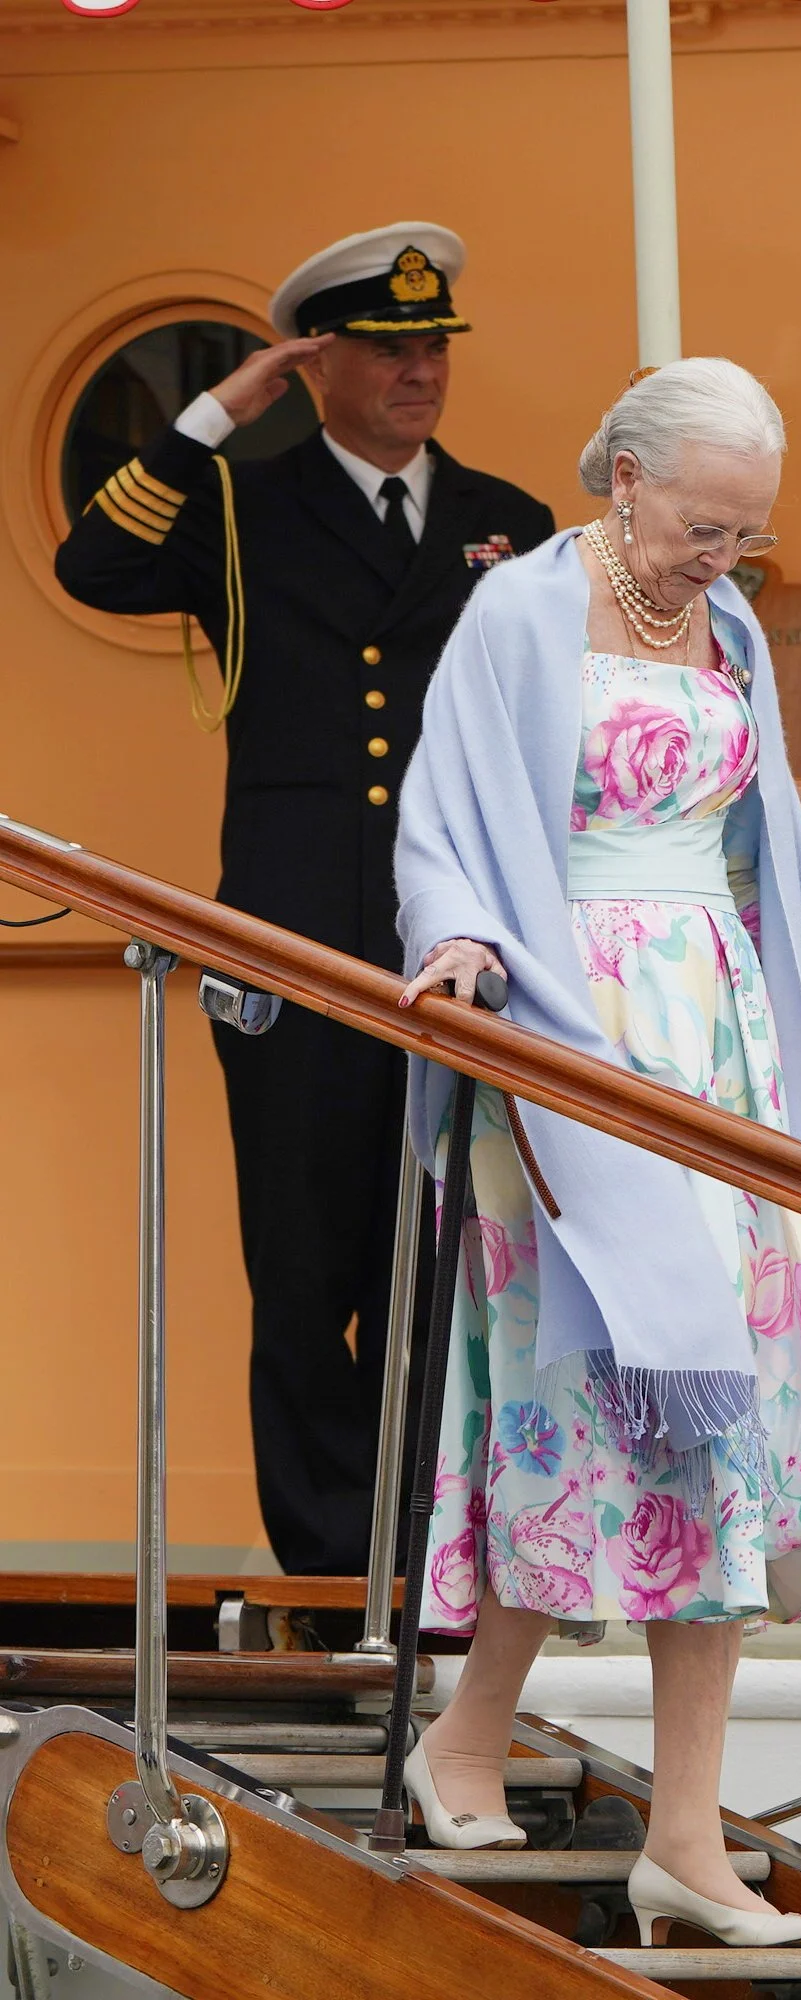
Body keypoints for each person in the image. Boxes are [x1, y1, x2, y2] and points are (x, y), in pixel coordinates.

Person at [394, 358, 801, 1939]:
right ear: (622, 480)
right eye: (701, 524)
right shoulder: (518, 617)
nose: (721, 558)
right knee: (585, 1393)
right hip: (564, 1031)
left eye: (745, 533)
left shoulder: (727, 628)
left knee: (716, 1412)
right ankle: (467, 1732)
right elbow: (442, 824)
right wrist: (460, 942)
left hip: (714, 1038)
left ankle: (682, 1832)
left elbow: (778, 877)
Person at [56, 223, 555, 1575]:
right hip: (286, 939)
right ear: (317, 359)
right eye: (388, 349)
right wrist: (220, 408)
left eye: (434, 346)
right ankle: (333, 1567)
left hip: (453, 947)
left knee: (433, 1260)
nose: (420, 372)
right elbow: (89, 567)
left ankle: (422, 1547)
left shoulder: (505, 522)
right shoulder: (241, 503)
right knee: (303, 1266)